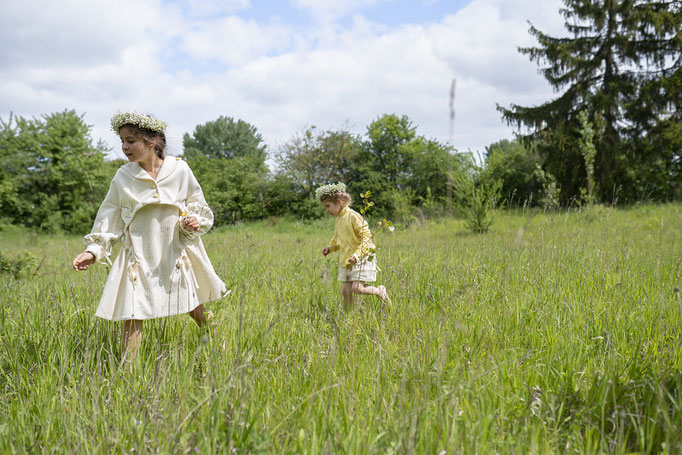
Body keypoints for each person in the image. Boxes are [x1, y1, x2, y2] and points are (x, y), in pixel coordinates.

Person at [72, 110, 227, 359]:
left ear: (151, 141)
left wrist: (194, 221)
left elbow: (199, 205)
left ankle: (219, 348)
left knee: (193, 305)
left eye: (130, 140)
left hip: (175, 253)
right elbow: (108, 217)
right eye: (121, 141)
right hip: (138, 257)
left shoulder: (180, 170)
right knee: (132, 313)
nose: (124, 147)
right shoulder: (124, 176)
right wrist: (94, 251)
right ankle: (129, 376)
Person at [318, 182, 391, 308]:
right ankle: (349, 315)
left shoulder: (353, 216)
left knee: (358, 288)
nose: (326, 209)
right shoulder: (339, 219)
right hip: (348, 259)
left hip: (361, 257)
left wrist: (357, 255)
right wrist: (330, 248)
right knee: (345, 291)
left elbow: (366, 236)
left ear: (339, 201)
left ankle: (380, 291)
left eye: (328, 206)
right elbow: (338, 239)